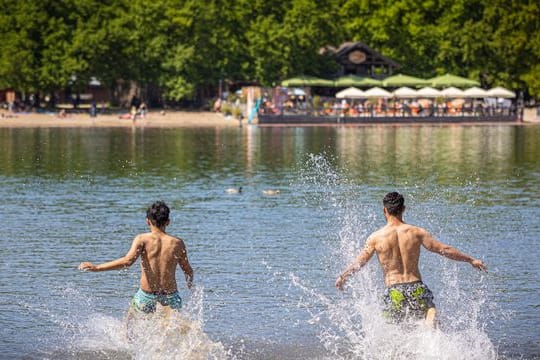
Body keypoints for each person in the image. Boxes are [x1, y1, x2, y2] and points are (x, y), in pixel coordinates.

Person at [335, 192, 487, 328]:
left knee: (394, 332)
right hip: (416, 288)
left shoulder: (375, 237)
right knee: (431, 319)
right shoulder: (417, 232)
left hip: (394, 291)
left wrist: (344, 276)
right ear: (404, 209)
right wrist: (471, 260)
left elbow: (360, 262)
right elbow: (444, 250)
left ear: (385, 210)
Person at [79, 201, 194, 314]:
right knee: (171, 328)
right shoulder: (177, 243)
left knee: (128, 327)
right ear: (168, 222)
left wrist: (97, 267)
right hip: (170, 297)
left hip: (146, 296)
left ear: (148, 221)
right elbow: (187, 270)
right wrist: (190, 284)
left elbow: (127, 261)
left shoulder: (142, 239)